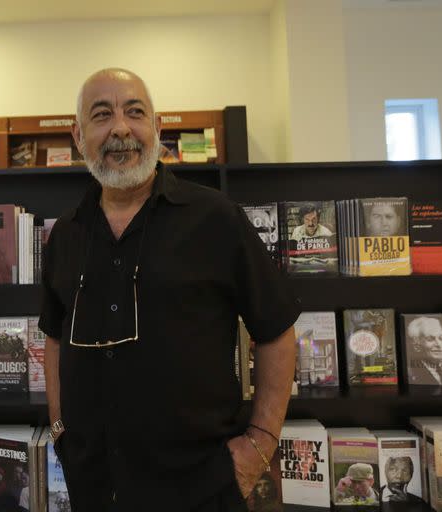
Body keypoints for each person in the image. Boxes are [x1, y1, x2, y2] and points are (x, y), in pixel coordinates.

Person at [39, 68, 300, 511]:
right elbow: (54, 336)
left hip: (202, 488)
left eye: (135, 112)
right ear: (78, 136)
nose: (121, 127)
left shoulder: (217, 219)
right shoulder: (65, 234)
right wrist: (61, 428)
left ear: (157, 129)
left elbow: (276, 329)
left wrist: (259, 444)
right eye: (101, 115)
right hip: (94, 486)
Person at [406, 316, 442, 385]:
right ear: (417, 347)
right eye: (430, 339)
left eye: (441, 338)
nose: (439, 344)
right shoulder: (410, 375)